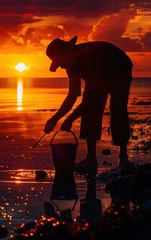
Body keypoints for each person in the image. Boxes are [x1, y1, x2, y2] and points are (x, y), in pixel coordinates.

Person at [44, 36, 134, 174]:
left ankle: (123, 157)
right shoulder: (70, 67)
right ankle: (91, 159)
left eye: (60, 61)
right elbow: (72, 95)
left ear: (69, 52)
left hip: (119, 68)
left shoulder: (90, 59)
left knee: (118, 109)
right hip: (99, 76)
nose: (61, 66)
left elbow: (89, 102)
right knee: (91, 112)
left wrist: (70, 119)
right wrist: (54, 119)